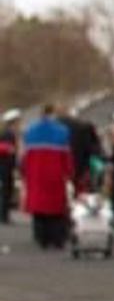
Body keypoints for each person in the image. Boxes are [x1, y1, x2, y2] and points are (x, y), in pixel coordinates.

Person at [20, 104, 73, 249]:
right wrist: (69, 173)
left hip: (36, 176)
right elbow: (66, 157)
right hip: (55, 176)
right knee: (55, 209)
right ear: (52, 113)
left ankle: (41, 238)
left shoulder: (30, 132)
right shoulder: (62, 132)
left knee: (39, 209)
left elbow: (25, 158)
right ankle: (56, 239)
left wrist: (24, 173)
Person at [0, 109, 19, 224]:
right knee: (7, 190)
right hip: (6, 165)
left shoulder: (5, 132)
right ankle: (4, 215)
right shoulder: (8, 133)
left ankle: (4, 214)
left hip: (4, 165)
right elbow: (9, 150)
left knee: (6, 190)